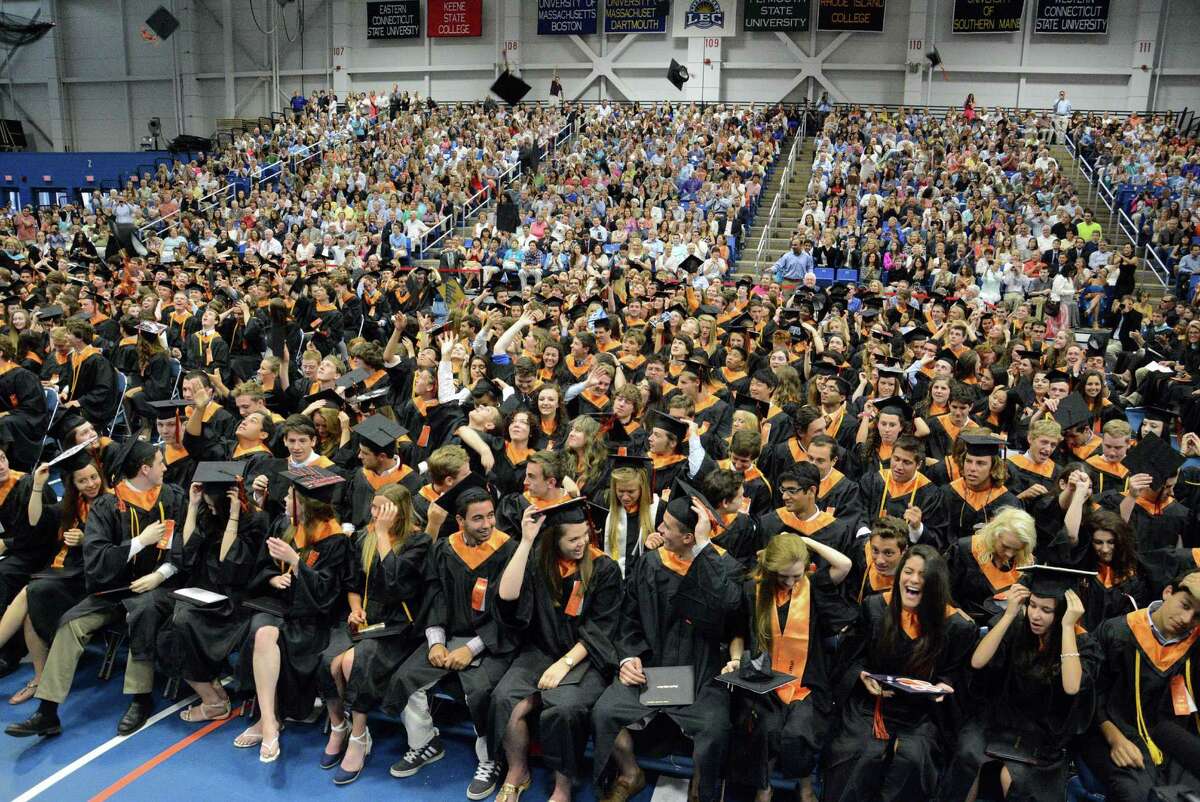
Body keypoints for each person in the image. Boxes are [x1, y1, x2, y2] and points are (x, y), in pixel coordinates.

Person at [6, 440, 187, 737]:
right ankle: (47, 711)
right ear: (144, 469)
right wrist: (140, 541)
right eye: (159, 462)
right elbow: (98, 558)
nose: (164, 466)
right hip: (114, 588)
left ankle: (140, 699)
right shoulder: (107, 505)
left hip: (158, 587)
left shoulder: (172, 497)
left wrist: (161, 574)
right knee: (72, 622)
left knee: (143, 612)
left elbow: (185, 548)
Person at [590, 495, 743, 802]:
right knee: (604, 711)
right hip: (652, 666)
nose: (659, 529)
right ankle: (631, 773)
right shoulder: (650, 562)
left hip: (702, 672)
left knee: (714, 728)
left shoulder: (725, 566)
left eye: (668, 526)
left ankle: (701, 788)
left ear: (689, 536)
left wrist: (703, 548)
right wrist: (628, 657)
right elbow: (628, 617)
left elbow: (732, 606)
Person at [383, 484, 517, 800]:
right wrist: (436, 643)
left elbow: (510, 614)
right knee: (407, 678)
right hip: (448, 634)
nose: (487, 525)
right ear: (460, 521)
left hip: (493, 641)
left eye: (490, 517)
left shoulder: (507, 551)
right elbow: (434, 596)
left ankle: (489, 760)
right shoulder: (444, 550)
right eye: (477, 519)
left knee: (481, 691)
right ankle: (425, 743)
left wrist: (470, 649)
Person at [490, 497, 622, 802]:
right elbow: (507, 597)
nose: (582, 544)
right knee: (504, 699)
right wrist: (525, 541)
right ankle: (517, 770)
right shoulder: (539, 561)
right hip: (540, 651)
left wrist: (564, 663)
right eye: (573, 539)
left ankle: (562, 788)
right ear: (554, 539)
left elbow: (603, 628)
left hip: (584, 657)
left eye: (585, 536)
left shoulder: (603, 568)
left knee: (563, 710)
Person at [823, 544, 979, 802]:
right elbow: (851, 657)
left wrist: (943, 686)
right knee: (857, 751)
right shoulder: (875, 608)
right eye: (908, 571)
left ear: (936, 584)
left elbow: (957, 674)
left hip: (923, 713)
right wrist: (861, 674)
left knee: (913, 758)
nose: (914, 580)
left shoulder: (957, 626)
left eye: (923, 575)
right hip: (872, 706)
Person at [939, 567, 1099, 802]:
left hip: (1044, 731)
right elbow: (977, 661)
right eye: (1032, 605)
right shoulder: (1018, 627)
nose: (1035, 615)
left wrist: (1066, 627)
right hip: (999, 718)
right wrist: (1009, 615)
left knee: (1016, 779)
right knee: (969, 757)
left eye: (1046, 610)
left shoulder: (1081, 642)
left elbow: (1072, 686)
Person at [232, 466, 349, 763]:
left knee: (271, 633)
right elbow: (262, 566)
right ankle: (269, 722)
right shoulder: (284, 526)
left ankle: (270, 720)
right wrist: (272, 578)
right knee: (263, 630)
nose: (284, 499)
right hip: (280, 608)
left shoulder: (335, 540)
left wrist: (297, 563)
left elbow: (327, 595)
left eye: (289, 495)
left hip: (313, 619)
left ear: (304, 505)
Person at [724, 532, 852, 802]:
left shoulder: (812, 586)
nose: (791, 582)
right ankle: (764, 786)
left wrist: (804, 542)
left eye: (797, 574)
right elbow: (737, 633)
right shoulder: (753, 590)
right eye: (783, 576)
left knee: (799, 731)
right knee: (765, 728)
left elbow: (844, 564)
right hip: (762, 680)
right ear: (770, 568)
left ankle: (804, 786)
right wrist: (735, 659)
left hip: (806, 682)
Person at [318, 484, 429, 785]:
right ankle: (338, 724)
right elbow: (353, 585)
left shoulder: (419, 542)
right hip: (366, 620)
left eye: (383, 509)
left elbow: (394, 584)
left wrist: (381, 534)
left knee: (355, 662)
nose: (375, 514)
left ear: (400, 511)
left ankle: (359, 736)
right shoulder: (363, 539)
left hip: (399, 626)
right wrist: (355, 609)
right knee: (328, 660)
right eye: (374, 507)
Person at [1077, 569, 1200, 801]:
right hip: (1113, 729)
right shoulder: (1117, 632)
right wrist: (1115, 739)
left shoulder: (1194, 645)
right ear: (1167, 592)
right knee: (1137, 793)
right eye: (1185, 605)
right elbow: (1091, 695)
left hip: (1172, 735)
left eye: (1197, 616)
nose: (1187, 620)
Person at [165, 462, 268, 723]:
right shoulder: (208, 513)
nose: (209, 509)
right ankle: (211, 688)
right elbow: (185, 550)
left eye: (213, 505)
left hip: (235, 599)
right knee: (171, 621)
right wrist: (193, 506)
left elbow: (228, 564)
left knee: (183, 621)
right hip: (203, 590)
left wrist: (233, 517)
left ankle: (213, 700)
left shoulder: (254, 520)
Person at [0, 453, 101, 703]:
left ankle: (38, 677)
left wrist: (85, 539)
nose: (90, 484)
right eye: (82, 481)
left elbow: (119, 546)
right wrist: (36, 487)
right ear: (73, 485)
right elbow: (35, 520)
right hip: (62, 573)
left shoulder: (110, 503)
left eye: (94, 477)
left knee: (30, 592)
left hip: (88, 577)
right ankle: (39, 677)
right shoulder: (72, 505)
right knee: (31, 604)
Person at [947, 507, 1038, 625]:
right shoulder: (964, 551)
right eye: (1005, 546)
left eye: (1017, 549)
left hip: (1008, 628)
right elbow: (943, 592)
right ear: (994, 534)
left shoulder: (1026, 562)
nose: (1009, 554)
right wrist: (956, 613)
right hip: (966, 626)